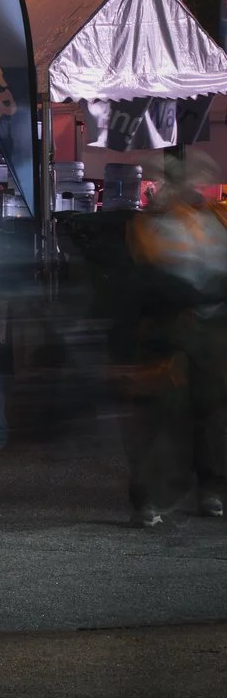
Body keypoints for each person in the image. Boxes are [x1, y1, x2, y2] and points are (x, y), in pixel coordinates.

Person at [119, 173, 227, 525]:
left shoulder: (200, 227)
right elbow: (155, 279)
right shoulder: (160, 229)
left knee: (195, 414)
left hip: (188, 333)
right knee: (178, 415)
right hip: (175, 332)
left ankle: (171, 495)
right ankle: (166, 495)